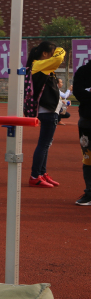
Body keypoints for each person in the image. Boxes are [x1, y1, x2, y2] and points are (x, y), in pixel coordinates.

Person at [27, 41, 65, 188]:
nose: (55, 54)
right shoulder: (39, 65)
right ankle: (35, 175)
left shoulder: (44, 66)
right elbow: (58, 58)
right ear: (45, 54)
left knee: (46, 144)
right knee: (43, 144)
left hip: (51, 110)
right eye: (52, 52)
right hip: (46, 111)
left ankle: (41, 173)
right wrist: (60, 50)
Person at [72, 55, 91, 205]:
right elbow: (79, 93)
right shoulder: (83, 71)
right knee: (88, 158)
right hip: (87, 121)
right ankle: (90, 193)